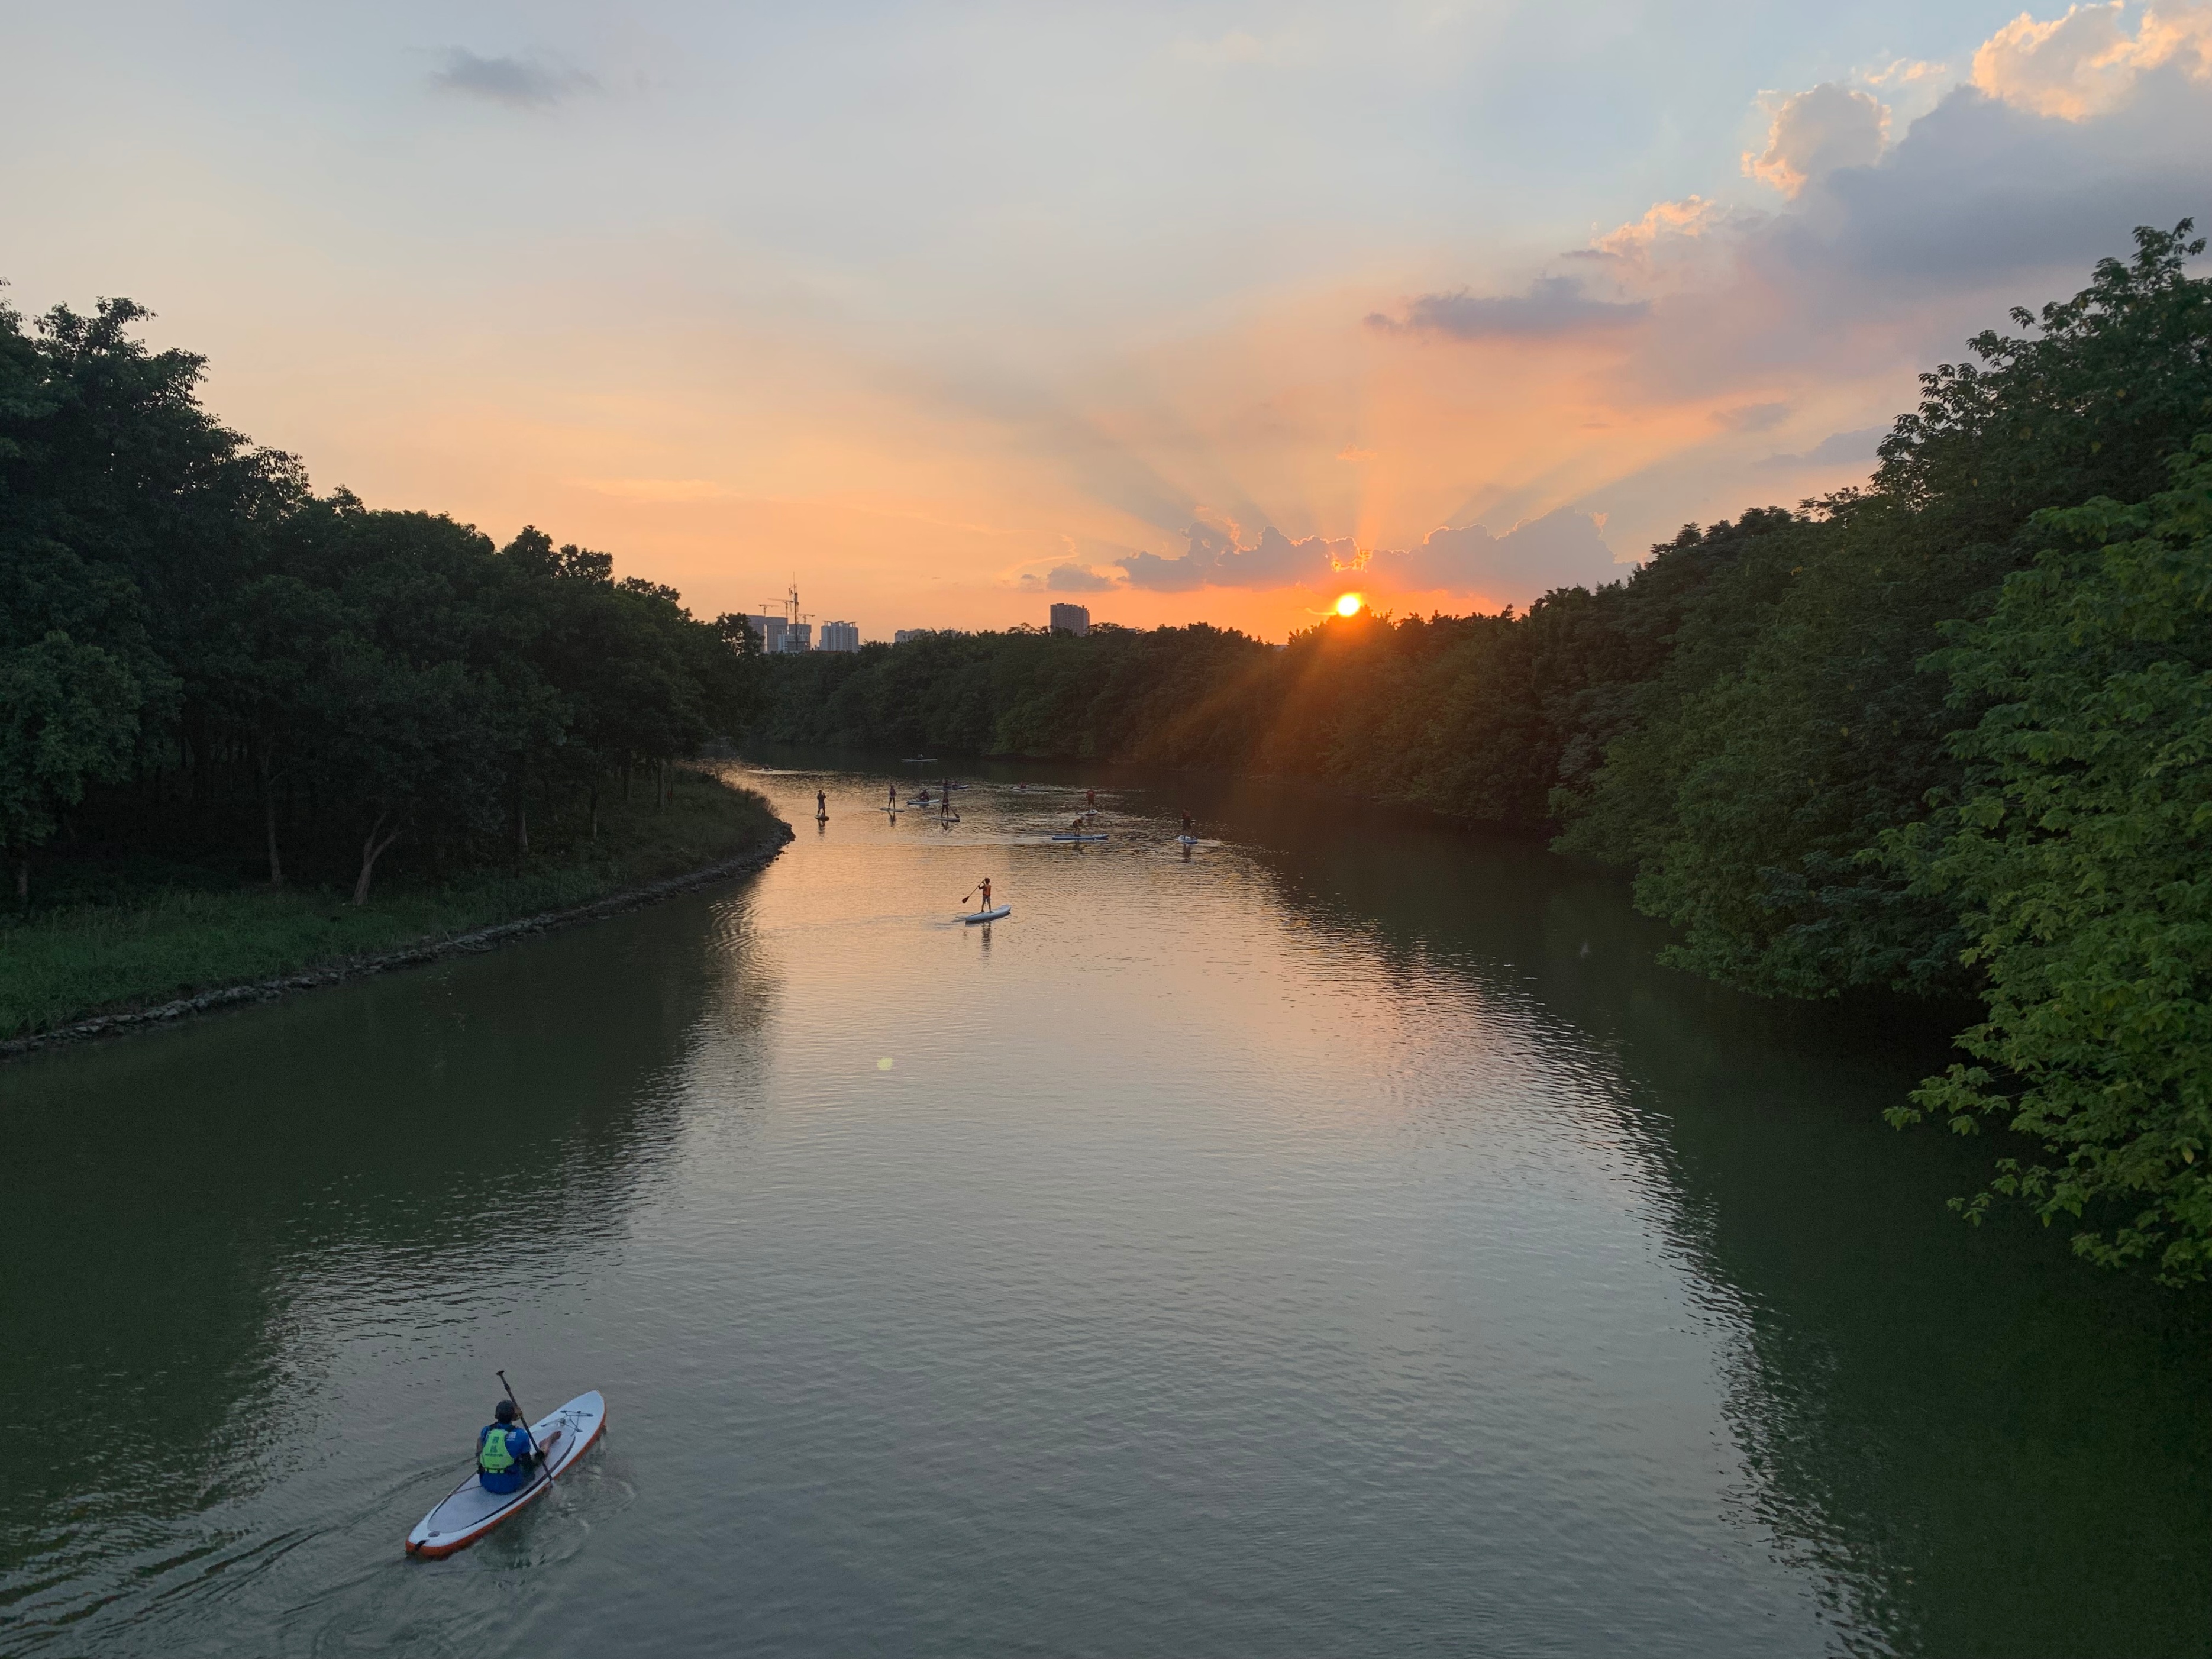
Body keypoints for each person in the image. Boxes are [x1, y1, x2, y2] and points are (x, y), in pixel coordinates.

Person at [476, 1399, 540, 1495]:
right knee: (537, 1460)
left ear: (496, 1416)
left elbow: (490, 1431)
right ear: (514, 1417)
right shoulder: (521, 1435)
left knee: (480, 1439)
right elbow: (528, 1465)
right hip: (510, 1485)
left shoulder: (486, 1431)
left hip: (486, 1483)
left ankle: (480, 1461)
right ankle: (547, 1444)